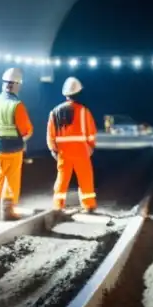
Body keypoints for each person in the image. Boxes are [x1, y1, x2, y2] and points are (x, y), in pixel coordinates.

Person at [0, 67, 33, 221]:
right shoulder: (17, 105)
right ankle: (7, 211)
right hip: (13, 148)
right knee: (12, 178)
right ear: (16, 85)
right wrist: (24, 139)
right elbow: (26, 129)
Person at [47, 76, 98, 213]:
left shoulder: (55, 112)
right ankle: (88, 205)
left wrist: (53, 149)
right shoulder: (84, 111)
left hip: (63, 152)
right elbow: (91, 132)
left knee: (62, 179)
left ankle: (58, 205)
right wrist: (91, 146)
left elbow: (51, 134)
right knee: (85, 178)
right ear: (79, 93)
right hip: (81, 151)